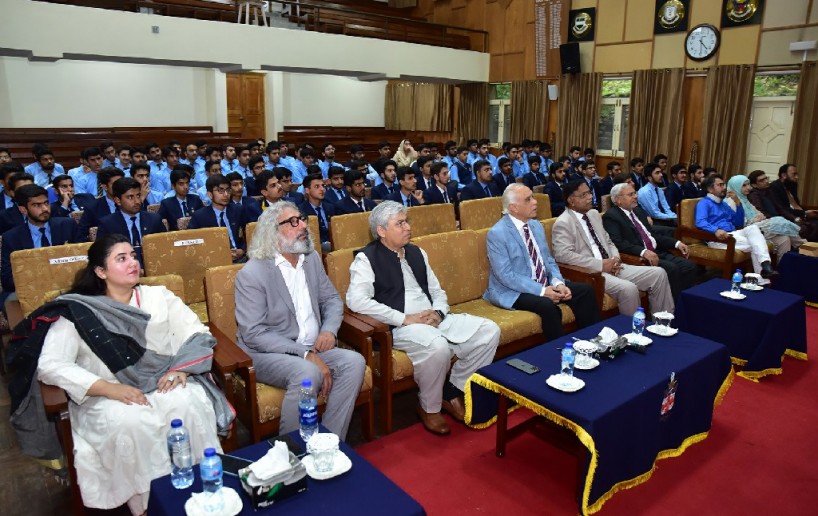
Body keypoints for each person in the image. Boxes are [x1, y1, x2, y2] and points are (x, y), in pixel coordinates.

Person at [31, 234, 229, 515]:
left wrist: (182, 368)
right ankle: (150, 506)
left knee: (187, 404)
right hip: (107, 393)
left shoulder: (158, 297)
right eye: (121, 259)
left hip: (163, 378)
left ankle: (200, 489)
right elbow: (50, 364)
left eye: (133, 256)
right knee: (133, 423)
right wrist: (108, 388)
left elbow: (196, 332)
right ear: (101, 271)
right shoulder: (78, 310)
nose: (132, 263)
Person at [347, 201, 500, 435]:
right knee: (437, 346)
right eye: (400, 223)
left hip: (432, 318)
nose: (408, 227)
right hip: (400, 327)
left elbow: (437, 291)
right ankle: (430, 407)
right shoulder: (366, 259)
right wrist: (403, 318)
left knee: (489, 331)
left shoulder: (417, 252)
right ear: (381, 230)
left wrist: (438, 312)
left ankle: (453, 390)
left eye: (406, 221)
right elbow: (356, 301)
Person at [234, 202, 366, 440]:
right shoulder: (252, 273)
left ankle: (331, 441)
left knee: (354, 362)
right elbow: (254, 333)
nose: (303, 225)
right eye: (292, 222)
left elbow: (331, 299)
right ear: (273, 232)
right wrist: (305, 354)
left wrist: (329, 331)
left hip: (312, 346)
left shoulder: (311, 258)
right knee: (307, 372)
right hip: (267, 353)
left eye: (302, 219)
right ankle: (294, 451)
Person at [485, 184, 599, 339]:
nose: (535, 202)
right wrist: (542, 291)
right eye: (528, 199)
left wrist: (558, 283)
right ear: (513, 207)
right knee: (547, 305)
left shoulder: (536, 225)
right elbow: (506, 275)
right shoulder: (497, 233)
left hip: (543, 281)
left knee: (585, 291)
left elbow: (548, 260)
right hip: (513, 290)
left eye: (533, 197)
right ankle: (559, 350)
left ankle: (591, 342)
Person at [552, 180, 674, 315]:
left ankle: (661, 321)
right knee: (629, 289)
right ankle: (632, 327)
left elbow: (608, 241)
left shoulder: (593, 214)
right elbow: (563, 255)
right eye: (583, 195)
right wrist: (600, 265)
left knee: (659, 273)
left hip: (614, 266)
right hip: (592, 272)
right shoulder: (563, 222)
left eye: (589, 193)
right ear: (571, 201)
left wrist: (615, 259)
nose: (590, 197)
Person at [603, 183, 696, 302]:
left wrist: (676, 243)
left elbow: (653, 235)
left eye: (635, 193)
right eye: (630, 194)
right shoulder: (611, 216)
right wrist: (643, 251)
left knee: (689, 266)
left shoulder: (638, 211)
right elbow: (618, 243)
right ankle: (675, 304)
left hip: (657, 252)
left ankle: (685, 301)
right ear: (618, 199)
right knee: (672, 269)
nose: (635, 196)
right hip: (640, 257)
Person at [1, 184, 81, 295]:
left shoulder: (68, 225)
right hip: (31, 291)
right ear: (23, 209)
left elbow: (83, 260)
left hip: (68, 287)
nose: (44, 209)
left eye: (46, 203)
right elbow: (7, 279)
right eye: (36, 205)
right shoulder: (12, 238)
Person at [695, 175, 777, 280]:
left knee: (753, 228)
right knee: (756, 244)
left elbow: (738, 222)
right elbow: (700, 222)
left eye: (724, 184)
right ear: (710, 189)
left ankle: (765, 268)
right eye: (720, 185)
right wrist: (715, 230)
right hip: (719, 238)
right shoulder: (704, 203)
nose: (724, 187)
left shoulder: (722, 204)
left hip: (733, 234)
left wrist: (738, 204)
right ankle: (763, 275)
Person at [726, 175, 804, 260]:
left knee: (784, 239)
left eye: (748, 184)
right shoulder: (731, 201)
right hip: (747, 231)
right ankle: (804, 245)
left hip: (758, 226)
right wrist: (754, 219)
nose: (748, 188)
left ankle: (782, 266)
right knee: (779, 221)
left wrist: (759, 217)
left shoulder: (745, 199)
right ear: (736, 186)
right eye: (744, 185)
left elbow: (760, 214)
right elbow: (736, 223)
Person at [97, 178, 166, 266]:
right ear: (118, 200)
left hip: (154, 266)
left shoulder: (154, 219)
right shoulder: (107, 224)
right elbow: (101, 256)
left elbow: (165, 248)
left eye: (138, 195)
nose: (137, 201)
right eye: (130, 197)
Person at [747, 169, 818, 242]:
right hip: (770, 224)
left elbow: (780, 209)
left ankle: (807, 246)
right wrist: (782, 221)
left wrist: (794, 218)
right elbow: (762, 213)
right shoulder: (754, 195)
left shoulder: (769, 190)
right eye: (762, 180)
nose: (766, 181)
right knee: (802, 230)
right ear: (754, 185)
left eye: (766, 178)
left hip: (781, 221)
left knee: (809, 226)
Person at [189, 175, 246, 262]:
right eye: (220, 190)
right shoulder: (200, 216)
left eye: (228, 190)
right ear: (210, 194)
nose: (226, 194)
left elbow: (249, 234)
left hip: (241, 258)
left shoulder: (238, 210)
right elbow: (193, 243)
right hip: (215, 261)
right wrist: (220, 254)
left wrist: (242, 250)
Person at [637, 162, 677, 226]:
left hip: (664, 218)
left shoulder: (659, 190)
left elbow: (666, 208)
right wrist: (673, 218)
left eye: (660, 172)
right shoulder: (644, 191)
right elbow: (654, 214)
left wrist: (674, 216)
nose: (661, 175)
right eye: (657, 173)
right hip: (653, 221)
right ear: (649, 178)